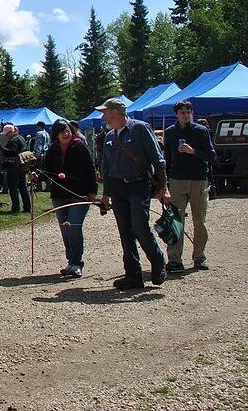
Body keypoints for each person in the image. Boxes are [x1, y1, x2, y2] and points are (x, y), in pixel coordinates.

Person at [97, 98, 170, 291]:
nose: (103, 116)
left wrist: (164, 187)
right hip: (118, 188)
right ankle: (133, 275)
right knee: (125, 232)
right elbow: (107, 167)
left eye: (105, 112)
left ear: (114, 112)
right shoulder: (109, 136)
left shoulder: (140, 128)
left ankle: (157, 261)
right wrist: (105, 194)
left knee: (139, 227)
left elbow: (158, 159)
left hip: (138, 185)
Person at [163, 100, 217, 273]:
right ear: (176, 114)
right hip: (177, 180)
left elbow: (211, 155)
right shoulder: (170, 132)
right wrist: (165, 183)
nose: (185, 115)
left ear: (192, 113)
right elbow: (167, 158)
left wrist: (193, 151)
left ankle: (199, 257)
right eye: (182, 112)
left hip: (198, 179)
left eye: (188, 112)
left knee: (199, 221)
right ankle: (174, 260)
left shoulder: (201, 131)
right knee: (175, 221)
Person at [41, 119, 98, 277]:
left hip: (79, 194)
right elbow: (46, 170)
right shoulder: (52, 149)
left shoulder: (79, 146)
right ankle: (70, 261)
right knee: (65, 229)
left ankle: (77, 263)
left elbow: (90, 168)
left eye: (67, 131)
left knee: (73, 226)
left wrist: (93, 191)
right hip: (59, 195)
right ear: (56, 134)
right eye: (62, 131)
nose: (65, 134)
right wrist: (35, 177)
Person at [0, 124, 31, 213]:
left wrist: (1, 148)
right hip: (21, 165)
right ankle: (27, 207)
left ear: (10, 131)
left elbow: (13, 152)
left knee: (13, 187)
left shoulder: (13, 140)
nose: (6, 135)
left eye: (7, 133)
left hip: (13, 165)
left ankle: (15, 207)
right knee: (23, 187)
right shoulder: (21, 137)